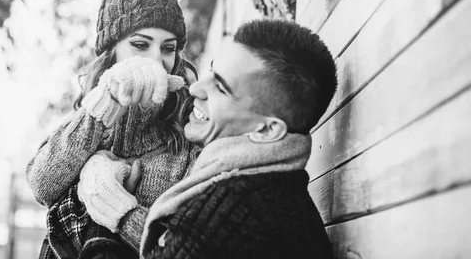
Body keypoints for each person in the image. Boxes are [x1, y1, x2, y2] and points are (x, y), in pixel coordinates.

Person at [77, 19, 337, 258]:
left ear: (267, 130)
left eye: (221, 88)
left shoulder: (226, 213)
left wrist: (104, 216)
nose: (196, 88)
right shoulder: (276, 189)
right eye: (211, 72)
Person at [25, 0, 200, 258]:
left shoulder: (186, 143)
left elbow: (184, 250)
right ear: (112, 50)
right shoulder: (86, 121)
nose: (157, 61)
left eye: (168, 48)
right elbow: (43, 184)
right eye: (140, 45)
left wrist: (120, 214)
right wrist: (107, 98)